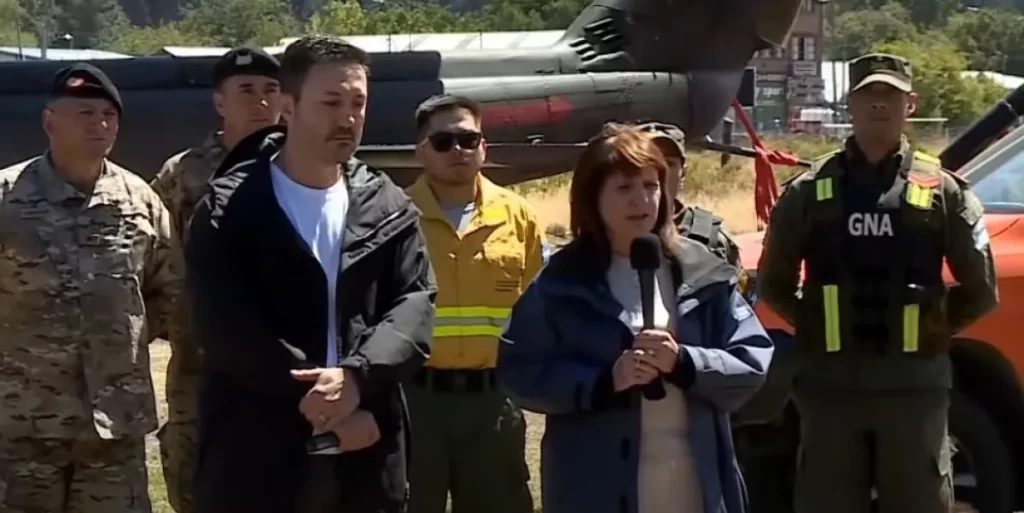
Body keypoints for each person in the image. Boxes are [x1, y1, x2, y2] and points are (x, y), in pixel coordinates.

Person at [185, 35, 437, 513]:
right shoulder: (229, 210)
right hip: (259, 455)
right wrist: (326, 405)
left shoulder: (387, 206)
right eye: (331, 102)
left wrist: (358, 380)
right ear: (287, 104)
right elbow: (226, 328)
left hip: (366, 454)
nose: (348, 118)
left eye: (358, 102)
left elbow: (415, 303)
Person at [757, 53, 999, 513]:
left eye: (891, 94)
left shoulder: (943, 191)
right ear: (850, 103)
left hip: (912, 390)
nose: (879, 104)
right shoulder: (809, 190)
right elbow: (775, 284)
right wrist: (818, 323)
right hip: (829, 390)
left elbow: (981, 290)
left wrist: (933, 326)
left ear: (912, 104)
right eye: (868, 93)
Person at [496, 122, 774, 513]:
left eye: (650, 186)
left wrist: (686, 361)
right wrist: (602, 382)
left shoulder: (704, 271)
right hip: (595, 482)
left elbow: (753, 358)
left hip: (692, 479)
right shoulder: (562, 281)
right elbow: (519, 369)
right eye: (624, 188)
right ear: (593, 197)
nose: (641, 200)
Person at [0, 63, 181, 512]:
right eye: (84, 113)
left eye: (108, 115)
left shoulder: (140, 202)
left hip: (114, 428)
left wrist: (121, 339)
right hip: (23, 425)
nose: (99, 124)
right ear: (49, 122)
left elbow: (171, 290)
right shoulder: (7, 197)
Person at [149, 44, 282, 513]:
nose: (262, 100)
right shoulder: (182, 173)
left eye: (271, 90)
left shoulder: (308, 169)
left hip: (287, 363)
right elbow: (153, 260)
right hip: (199, 368)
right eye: (246, 90)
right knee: (197, 481)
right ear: (220, 102)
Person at [404, 94, 541, 513]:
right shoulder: (395, 216)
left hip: (492, 404)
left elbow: (537, 306)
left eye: (468, 139)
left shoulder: (520, 217)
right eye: (443, 142)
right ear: (421, 151)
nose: (458, 151)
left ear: (484, 146)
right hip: (414, 402)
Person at [637, 122, 743, 268]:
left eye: (669, 163)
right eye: (649, 162)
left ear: (683, 173)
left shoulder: (713, 239)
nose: (660, 172)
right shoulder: (612, 235)